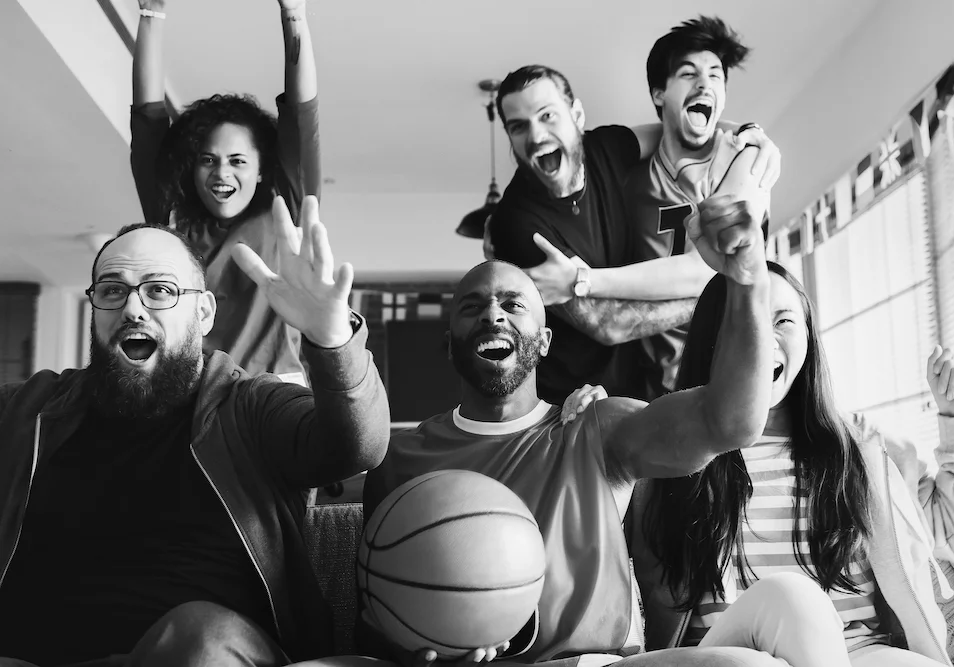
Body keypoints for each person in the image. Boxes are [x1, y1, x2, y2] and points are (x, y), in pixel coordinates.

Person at [356, 196, 827, 666]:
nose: (493, 315)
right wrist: (422, 643)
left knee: (749, 662)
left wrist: (746, 282)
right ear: (449, 342)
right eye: (473, 306)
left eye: (513, 304)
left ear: (544, 342)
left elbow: (728, 423)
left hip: (592, 665)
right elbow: (371, 622)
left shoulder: (598, 428)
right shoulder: (399, 458)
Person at [0, 196, 389, 666]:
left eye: (160, 290)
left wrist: (333, 342)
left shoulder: (250, 405)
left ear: (203, 313)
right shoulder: (28, 410)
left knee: (199, 638)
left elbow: (357, 447)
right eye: (111, 290)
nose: (133, 309)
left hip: (203, 654)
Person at [612, 262, 954, 666]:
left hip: (861, 653)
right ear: (711, 340)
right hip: (733, 653)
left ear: (809, 338)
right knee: (793, 600)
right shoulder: (666, 452)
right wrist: (584, 431)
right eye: (743, 321)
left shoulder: (863, 451)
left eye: (783, 320)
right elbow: (591, 534)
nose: (763, 338)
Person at [485, 63, 780, 404]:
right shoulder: (516, 222)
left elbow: (681, 131)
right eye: (519, 127)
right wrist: (720, 293)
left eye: (547, 115)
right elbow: (609, 324)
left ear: (577, 116)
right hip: (569, 405)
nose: (536, 136)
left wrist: (749, 134)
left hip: (640, 389)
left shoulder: (606, 147)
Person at [130, 0, 321, 384]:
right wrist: (151, 13)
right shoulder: (171, 217)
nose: (222, 172)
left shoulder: (284, 205)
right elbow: (148, 118)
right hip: (189, 388)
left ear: (262, 168)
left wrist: (294, 14)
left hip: (275, 387)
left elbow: (302, 114)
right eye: (208, 159)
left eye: (237, 160)